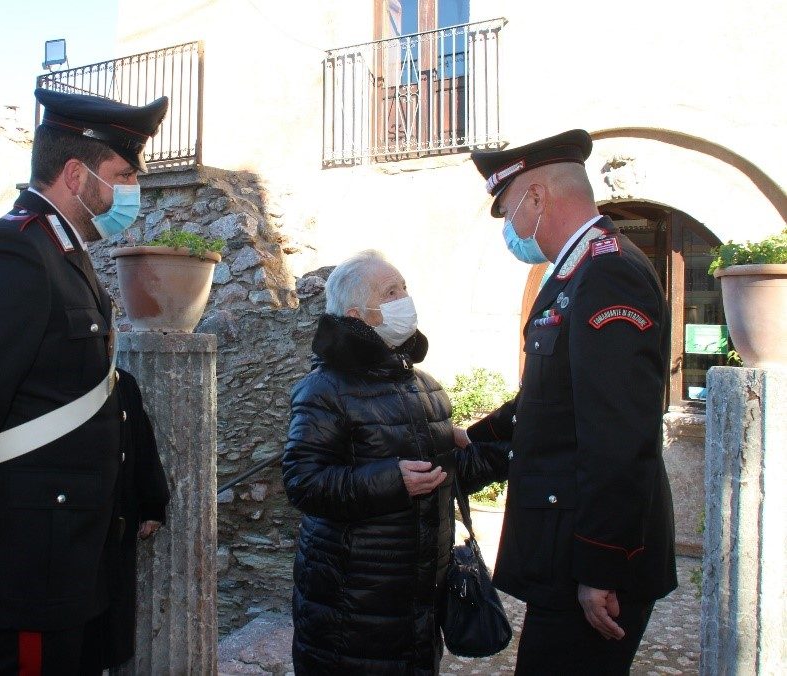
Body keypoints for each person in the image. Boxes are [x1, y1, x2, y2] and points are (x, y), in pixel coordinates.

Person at [0, 89, 168, 673]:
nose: (131, 191)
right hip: (23, 565)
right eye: (122, 174)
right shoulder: (12, 253)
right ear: (76, 173)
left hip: (64, 556)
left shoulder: (63, 253)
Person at [466, 129, 677, 674]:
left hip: (589, 553)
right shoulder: (576, 271)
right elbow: (550, 398)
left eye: (510, 208)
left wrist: (601, 567)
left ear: (537, 196)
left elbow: (619, 434)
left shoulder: (608, 274)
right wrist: (471, 437)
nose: (511, 227)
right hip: (566, 547)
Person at [282, 250, 510, 674]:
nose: (405, 298)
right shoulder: (323, 390)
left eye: (404, 287)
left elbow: (451, 475)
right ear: (358, 315)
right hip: (350, 610)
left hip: (419, 608)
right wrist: (392, 480)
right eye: (391, 292)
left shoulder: (426, 387)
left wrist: (513, 451)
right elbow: (303, 482)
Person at [81, 368, 170, 673]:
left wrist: (152, 505)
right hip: (76, 530)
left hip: (114, 525)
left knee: (105, 627)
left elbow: (140, 444)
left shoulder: (122, 383)